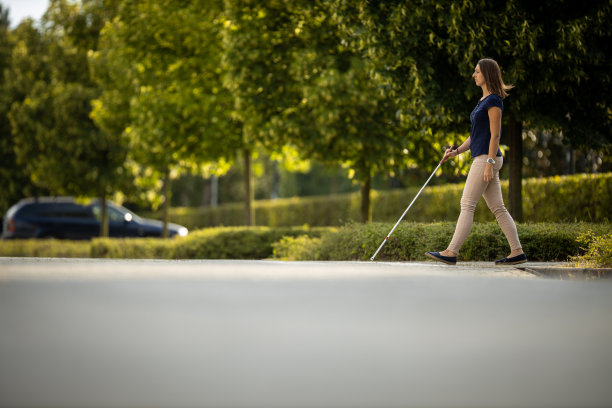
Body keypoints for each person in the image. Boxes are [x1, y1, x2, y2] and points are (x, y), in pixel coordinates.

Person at [425, 58, 527, 265]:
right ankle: (517, 252)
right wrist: (456, 152)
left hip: (486, 158)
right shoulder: (483, 101)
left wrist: (489, 162)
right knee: (498, 208)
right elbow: (475, 135)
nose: (474, 75)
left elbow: (495, 135)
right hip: (483, 157)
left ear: (487, 74)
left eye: (477, 72)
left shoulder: (494, 101)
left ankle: (451, 252)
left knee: (467, 204)